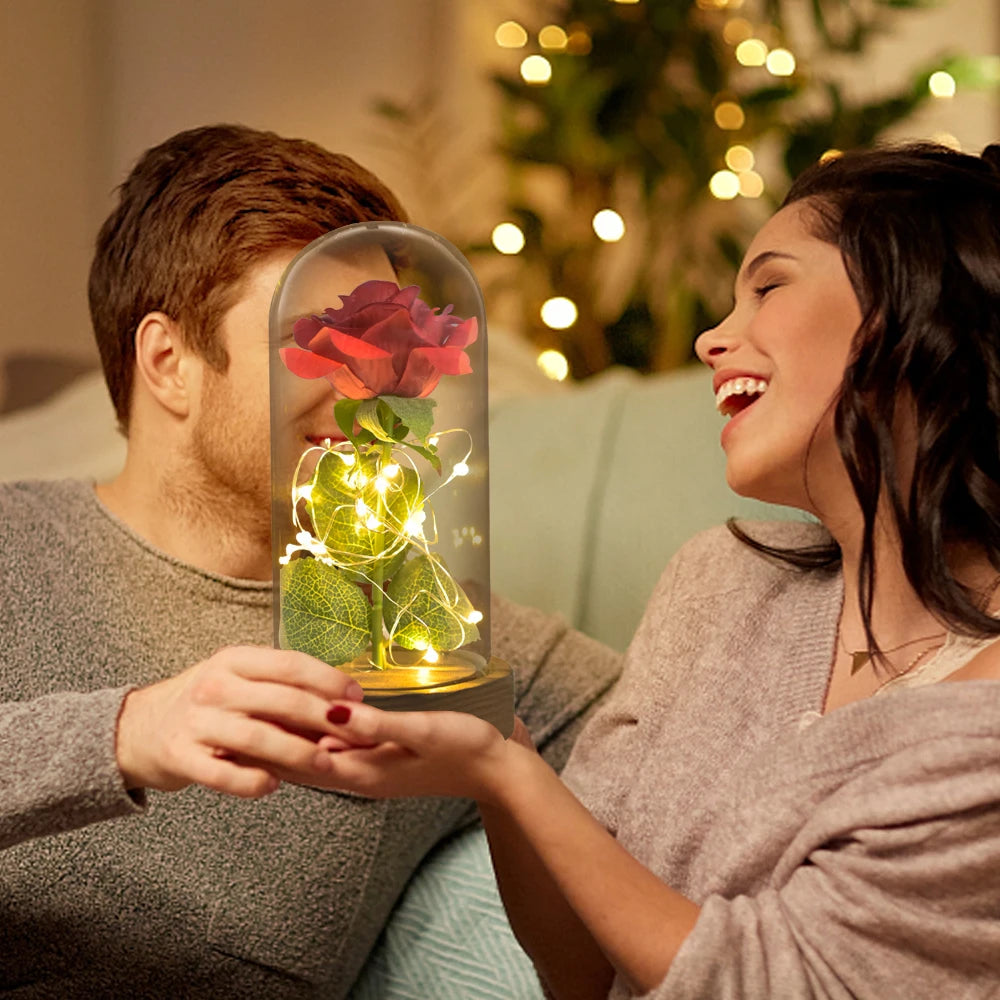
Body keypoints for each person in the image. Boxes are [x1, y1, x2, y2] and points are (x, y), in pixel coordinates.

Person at [308, 141, 1000, 999]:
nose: (714, 337)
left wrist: (509, 773)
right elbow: (581, 972)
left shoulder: (984, 727)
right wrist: (501, 743)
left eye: (770, 286)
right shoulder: (721, 581)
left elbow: (769, 982)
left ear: (912, 306)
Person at [0, 123, 621, 997]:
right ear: (168, 363)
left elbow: (717, 755)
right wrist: (125, 734)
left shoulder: (438, 642)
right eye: (324, 344)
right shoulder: (11, 549)